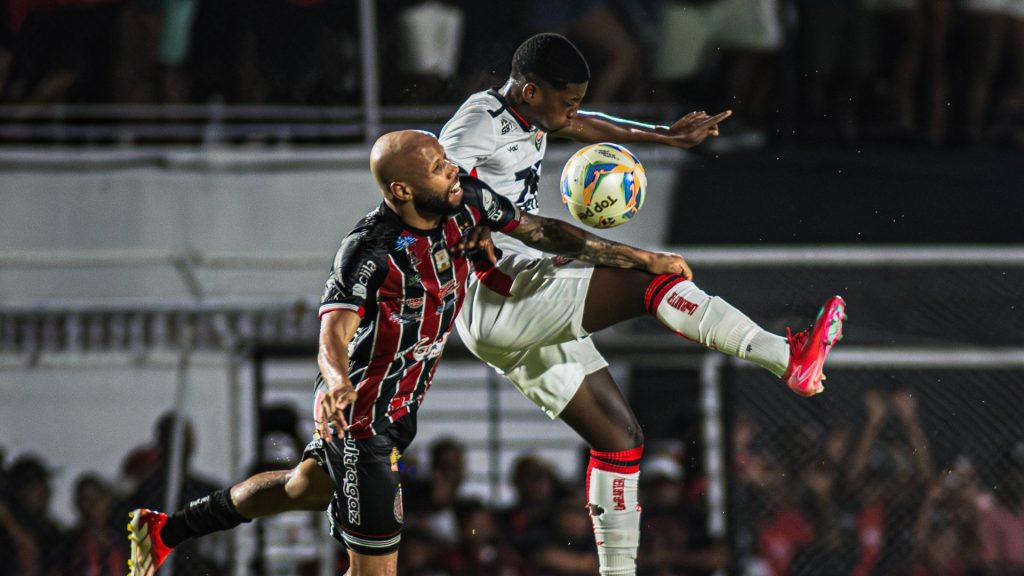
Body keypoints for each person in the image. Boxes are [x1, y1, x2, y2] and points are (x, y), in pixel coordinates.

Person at [126, 129, 693, 576]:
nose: (452, 170)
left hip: (399, 411)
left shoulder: (466, 203)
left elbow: (543, 231)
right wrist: (337, 382)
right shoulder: (368, 250)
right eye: (437, 167)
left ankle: (167, 530)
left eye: (446, 159)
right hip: (361, 418)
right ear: (401, 190)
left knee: (303, 488)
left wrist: (640, 259)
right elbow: (333, 334)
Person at [438, 32, 846, 575]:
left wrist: (662, 135)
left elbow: (580, 125)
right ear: (531, 90)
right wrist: (459, 219)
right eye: (567, 101)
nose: (574, 112)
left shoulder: (531, 114)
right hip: (501, 291)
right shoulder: (478, 122)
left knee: (620, 438)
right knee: (646, 280)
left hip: (505, 310)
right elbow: (435, 177)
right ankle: (785, 357)